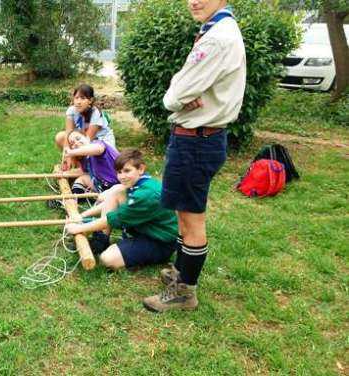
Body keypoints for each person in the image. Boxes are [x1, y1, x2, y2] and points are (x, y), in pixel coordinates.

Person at [142, 0, 246, 313]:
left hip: (198, 140)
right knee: (182, 211)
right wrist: (182, 91)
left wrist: (177, 94)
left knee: (191, 217)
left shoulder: (217, 38)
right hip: (198, 137)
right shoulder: (217, 28)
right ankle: (180, 271)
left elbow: (173, 96)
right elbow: (183, 89)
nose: (194, 1)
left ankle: (185, 292)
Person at [65, 149, 178, 270]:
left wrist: (78, 228)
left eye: (127, 171)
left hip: (159, 241)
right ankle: (100, 241)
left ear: (141, 169)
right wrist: (81, 216)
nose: (122, 176)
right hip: (147, 228)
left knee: (107, 259)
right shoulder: (140, 183)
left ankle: (145, 256)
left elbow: (113, 219)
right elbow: (109, 205)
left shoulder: (145, 195)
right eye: (119, 172)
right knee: (117, 190)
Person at [55, 84, 116, 157]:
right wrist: (67, 150)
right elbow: (68, 132)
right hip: (84, 139)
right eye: (76, 98)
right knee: (61, 137)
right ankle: (74, 162)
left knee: (80, 143)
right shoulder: (72, 110)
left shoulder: (95, 113)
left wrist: (73, 150)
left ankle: (82, 164)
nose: (78, 102)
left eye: (82, 98)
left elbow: (87, 140)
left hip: (101, 145)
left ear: (90, 100)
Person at [64, 130, 120, 196]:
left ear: (87, 138)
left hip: (118, 185)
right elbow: (83, 171)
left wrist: (71, 152)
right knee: (82, 179)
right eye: (72, 144)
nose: (76, 143)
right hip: (102, 185)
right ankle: (76, 197)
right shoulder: (84, 158)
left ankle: (75, 198)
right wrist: (65, 173)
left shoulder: (97, 143)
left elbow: (98, 149)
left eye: (78, 138)